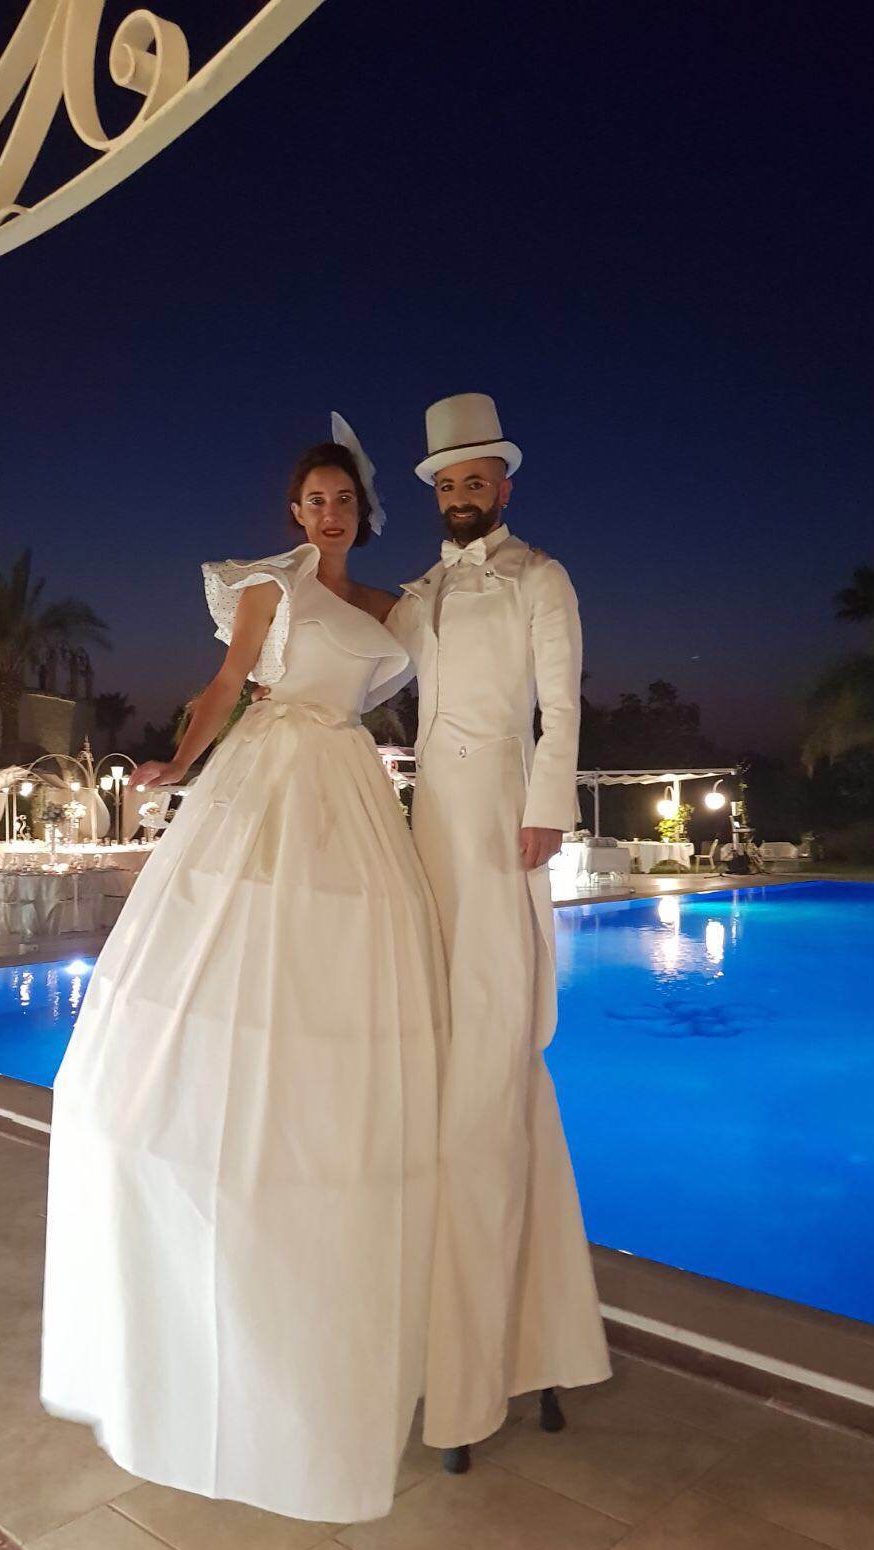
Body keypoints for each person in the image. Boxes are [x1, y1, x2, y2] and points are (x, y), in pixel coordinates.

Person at [40, 422, 447, 1524]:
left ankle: (316, 1147)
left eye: (343, 501)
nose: (329, 514)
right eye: (314, 500)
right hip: (264, 777)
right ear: (294, 511)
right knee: (231, 958)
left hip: (349, 789)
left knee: (339, 971)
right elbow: (226, 683)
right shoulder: (271, 588)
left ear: (364, 512)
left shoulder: (389, 612)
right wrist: (180, 759)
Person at [386, 393, 611, 1474]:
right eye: (448, 482)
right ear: (436, 492)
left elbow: (561, 706)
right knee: (444, 1063)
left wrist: (547, 810)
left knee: (489, 1068)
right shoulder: (420, 593)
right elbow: (352, 655)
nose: (462, 493)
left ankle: (484, 1362)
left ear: (503, 486)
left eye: (476, 479)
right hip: (427, 825)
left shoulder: (540, 577)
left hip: (499, 823)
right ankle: (508, 1333)